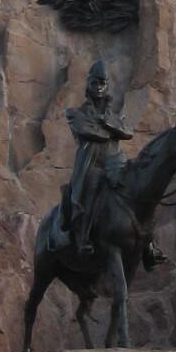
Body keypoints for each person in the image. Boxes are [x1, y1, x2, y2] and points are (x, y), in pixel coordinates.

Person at [63, 60, 133, 259]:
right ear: (88, 84)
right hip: (91, 164)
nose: (99, 87)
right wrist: (111, 128)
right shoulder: (76, 113)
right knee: (91, 188)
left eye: (103, 83)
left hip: (115, 161)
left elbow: (127, 131)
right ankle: (82, 237)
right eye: (95, 82)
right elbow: (88, 131)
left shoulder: (113, 114)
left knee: (137, 187)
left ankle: (149, 243)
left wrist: (106, 122)